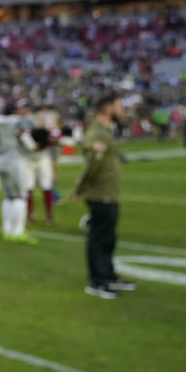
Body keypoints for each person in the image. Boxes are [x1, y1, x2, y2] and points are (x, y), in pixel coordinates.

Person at [70, 93, 136, 299]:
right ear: (107, 108)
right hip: (100, 194)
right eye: (118, 106)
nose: (122, 110)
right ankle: (97, 281)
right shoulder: (97, 133)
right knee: (98, 238)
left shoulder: (105, 130)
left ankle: (108, 275)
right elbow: (92, 164)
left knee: (108, 237)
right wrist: (79, 187)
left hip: (109, 192)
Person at [0, 101, 38, 244]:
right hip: (14, 159)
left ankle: (7, 230)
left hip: (0, 159)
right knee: (20, 196)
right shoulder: (18, 121)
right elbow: (28, 141)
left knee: (8, 196)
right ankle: (18, 232)